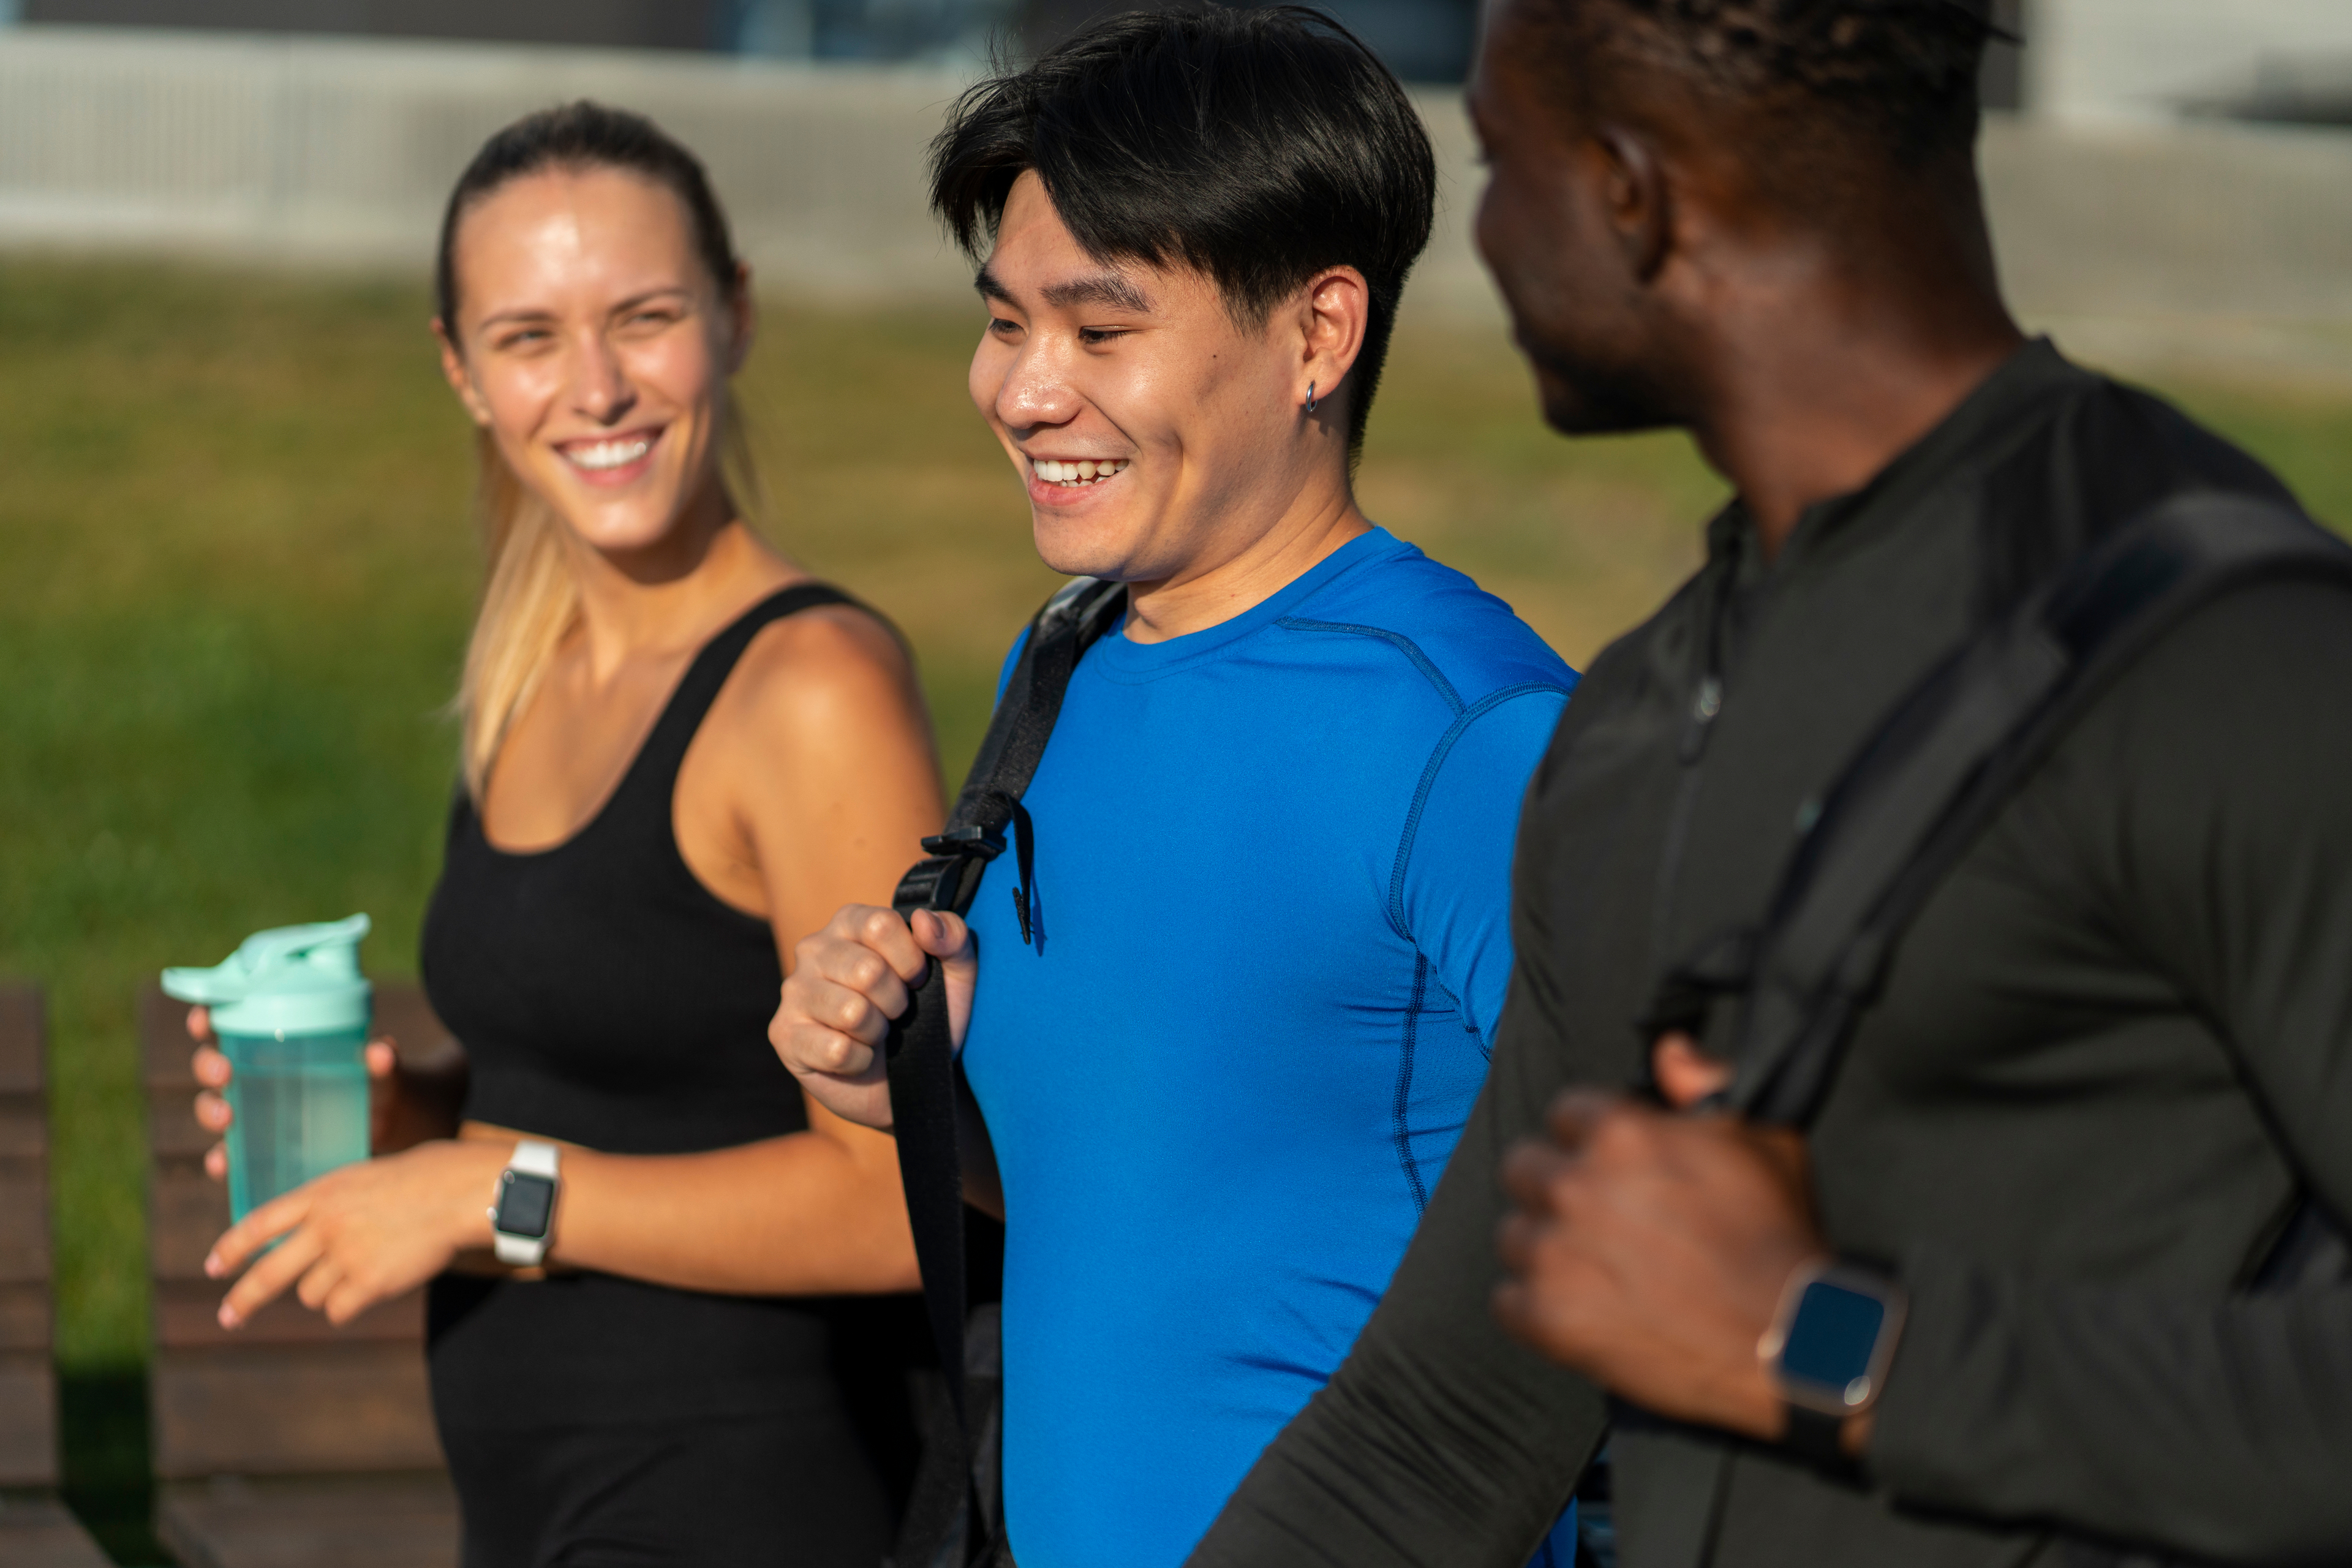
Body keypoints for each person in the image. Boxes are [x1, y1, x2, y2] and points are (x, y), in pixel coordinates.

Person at [1186, 1, 2352, 1564]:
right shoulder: (1639, 722)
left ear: (1631, 194)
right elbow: (1439, 1427)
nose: (1487, 234)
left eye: (1498, 166)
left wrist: (1829, 1348)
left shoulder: (2227, 658)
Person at [769, 10, 1581, 1565]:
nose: (1022, 392)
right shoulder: (1071, 658)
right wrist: (915, 1094)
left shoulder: (1466, 726)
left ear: (1318, 336)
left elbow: (1656, 1238)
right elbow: (1171, 1189)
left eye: (1101, 329)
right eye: (1006, 323)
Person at [186, 102, 941, 1566]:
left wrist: (490, 1186)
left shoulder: (811, 685)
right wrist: (421, 1115)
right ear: (462, 372)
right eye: (530, 337)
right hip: (535, 1505)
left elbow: (902, 1202)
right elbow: (653, 1069)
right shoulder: (530, 666)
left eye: (643, 318)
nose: (595, 388)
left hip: (743, 1500)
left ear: (733, 315)